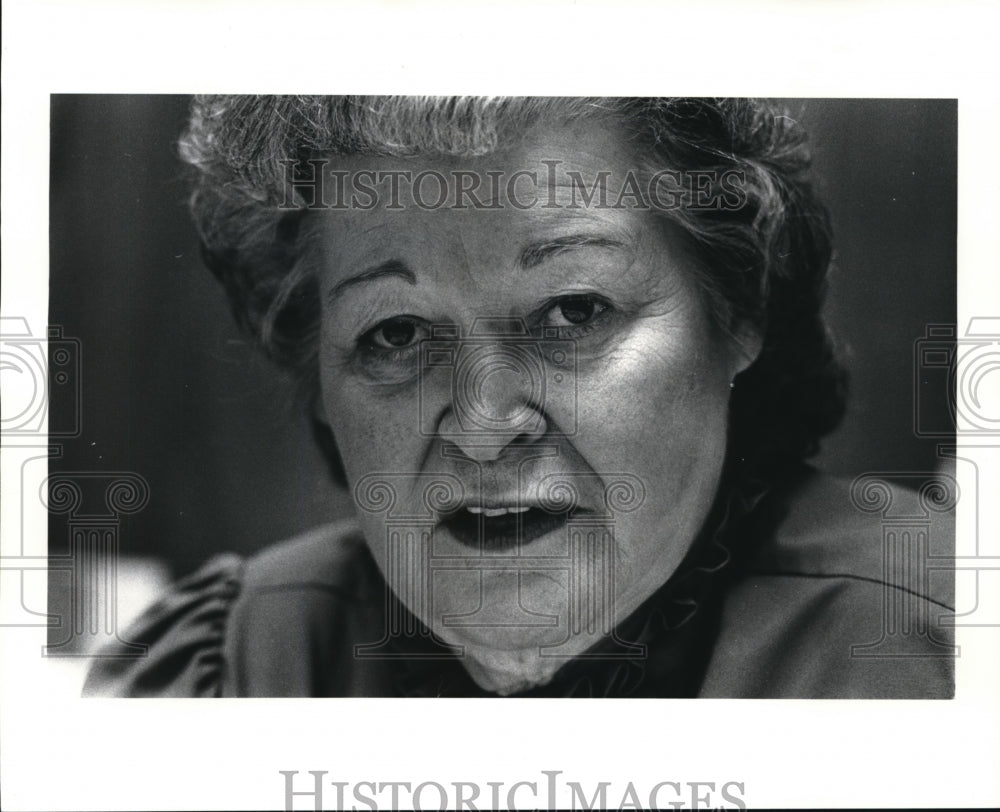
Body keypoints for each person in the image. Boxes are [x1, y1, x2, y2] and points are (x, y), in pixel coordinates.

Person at [84, 96, 955, 698]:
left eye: (574, 312)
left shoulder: (940, 648)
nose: (485, 422)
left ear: (738, 313)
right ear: (318, 379)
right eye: (395, 333)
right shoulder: (233, 668)